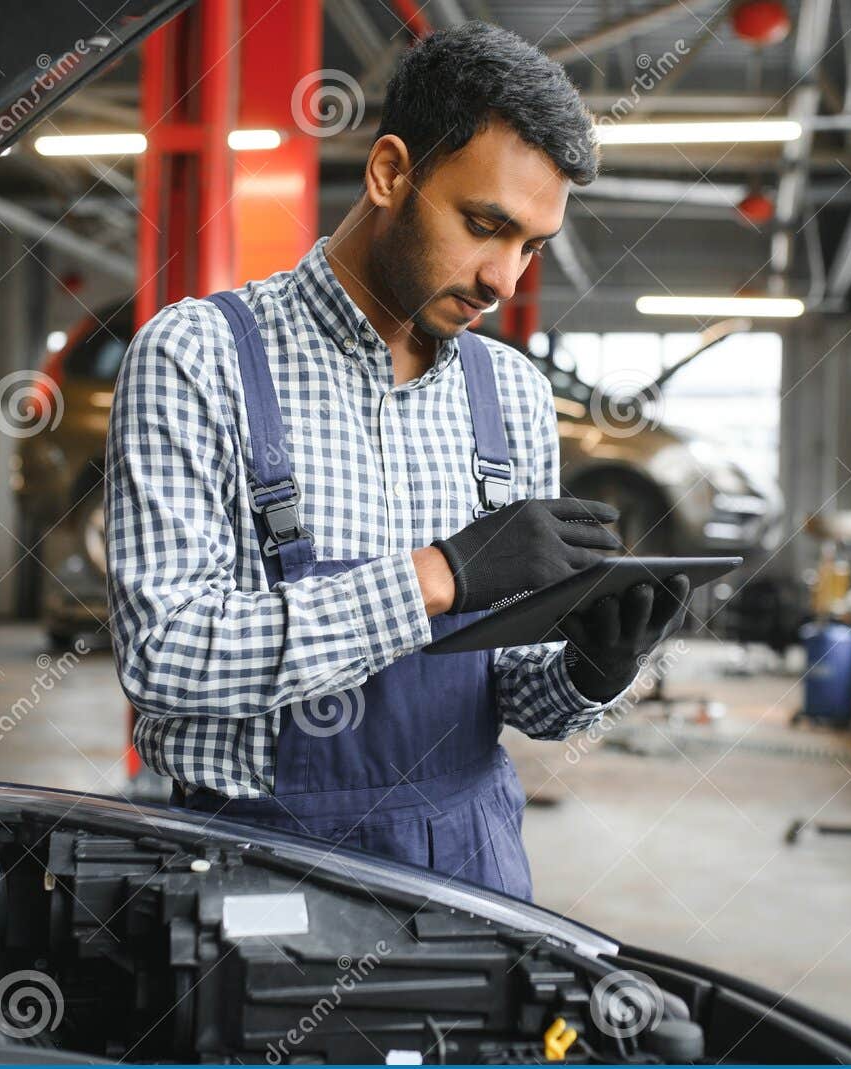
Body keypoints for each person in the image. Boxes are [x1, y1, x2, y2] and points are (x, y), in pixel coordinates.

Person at [106, 22, 687, 901]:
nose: (504, 279)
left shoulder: (513, 397)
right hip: (261, 860)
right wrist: (441, 575)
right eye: (485, 225)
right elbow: (166, 654)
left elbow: (514, 694)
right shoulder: (199, 358)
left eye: (530, 245)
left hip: (469, 853)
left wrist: (591, 671)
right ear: (389, 173)